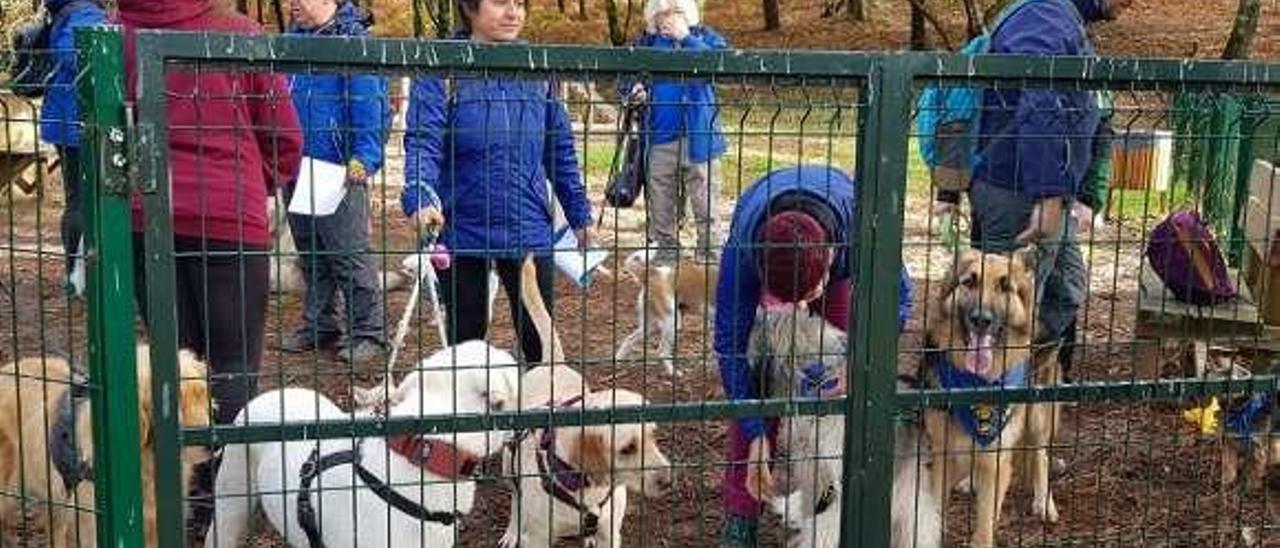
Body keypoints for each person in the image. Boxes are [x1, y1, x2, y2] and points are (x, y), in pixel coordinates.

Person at [117, 0, 303, 537]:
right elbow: (285, 137)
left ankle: (179, 495)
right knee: (234, 365)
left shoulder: (112, 35)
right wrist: (252, 182)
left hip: (145, 213)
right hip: (230, 214)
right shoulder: (238, 33)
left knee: (173, 365)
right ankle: (226, 501)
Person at [713, 164, 914, 547]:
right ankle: (742, 513)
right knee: (759, 375)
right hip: (769, 234)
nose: (801, 308)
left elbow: (901, 297)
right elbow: (729, 345)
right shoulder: (743, 252)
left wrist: (856, 365)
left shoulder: (859, 232)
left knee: (831, 386)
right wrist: (756, 433)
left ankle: (824, 503)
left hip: (832, 252)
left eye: (806, 297)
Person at [401, 0, 594, 366]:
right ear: (470, 8)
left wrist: (580, 216)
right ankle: (468, 420)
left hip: (528, 223)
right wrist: (420, 197)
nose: (514, 13)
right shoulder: (442, 69)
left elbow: (560, 150)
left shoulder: (539, 69)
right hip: (462, 226)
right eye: (501, 2)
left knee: (541, 340)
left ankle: (545, 418)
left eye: (520, 3)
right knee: (466, 344)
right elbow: (423, 142)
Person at [963, 0, 1131, 374]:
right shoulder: (1044, 15)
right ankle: (990, 402)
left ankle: (1019, 373)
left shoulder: (1063, 18)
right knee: (1005, 306)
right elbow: (1039, 99)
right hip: (1018, 188)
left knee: (1066, 286)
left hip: (1048, 189)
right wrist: (1048, 192)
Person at [280, 0, 390, 364]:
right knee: (311, 254)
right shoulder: (289, 43)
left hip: (339, 169)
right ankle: (320, 324)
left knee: (348, 254)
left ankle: (370, 331)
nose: (292, 4)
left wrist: (365, 156)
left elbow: (371, 105)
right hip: (295, 166)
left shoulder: (353, 42)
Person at [624, 0, 728, 264]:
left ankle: (709, 261)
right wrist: (634, 90)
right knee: (660, 206)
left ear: (687, 14)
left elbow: (719, 66)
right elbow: (624, 78)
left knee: (706, 206)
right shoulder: (645, 44)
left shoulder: (705, 37)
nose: (668, 19)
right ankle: (666, 260)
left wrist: (687, 38)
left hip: (701, 138)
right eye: (662, 13)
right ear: (653, 17)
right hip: (659, 137)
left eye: (675, 12)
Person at [38, 0, 108, 296]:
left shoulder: (63, 13)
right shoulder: (86, 14)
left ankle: (79, 274)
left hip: (66, 121)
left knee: (79, 200)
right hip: (79, 124)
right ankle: (77, 277)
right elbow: (75, 56)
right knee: (84, 201)